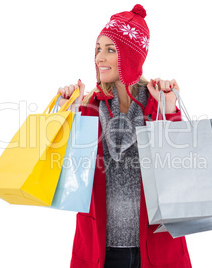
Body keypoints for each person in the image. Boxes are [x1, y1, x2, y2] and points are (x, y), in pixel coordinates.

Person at [57, 4, 192, 268]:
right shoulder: (88, 106)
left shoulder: (156, 101)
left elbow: (179, 167)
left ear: (130, 56)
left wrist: (169, 109)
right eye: (98, 49)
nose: (99, 58)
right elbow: (67, 172)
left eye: (110, 50)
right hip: (100, 250)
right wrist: (66, 114)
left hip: (155, 248)